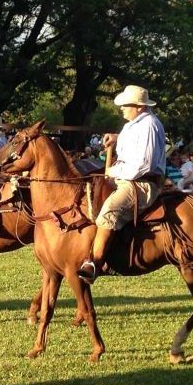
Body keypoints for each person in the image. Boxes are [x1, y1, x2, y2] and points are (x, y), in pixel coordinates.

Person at [78, 85, 165, 284]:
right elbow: (131, 141)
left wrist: (113, 172)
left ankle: (95, 264)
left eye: (126, 105)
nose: (122, 108)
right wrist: (116, 138)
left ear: (140, 107)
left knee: (110, 210)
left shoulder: (150, 125)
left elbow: (144, 164)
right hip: (125, 179)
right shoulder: (132, 124)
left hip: (141, 183)